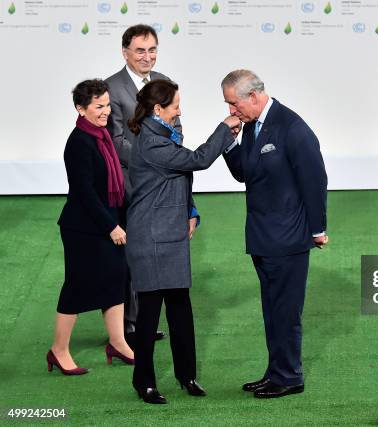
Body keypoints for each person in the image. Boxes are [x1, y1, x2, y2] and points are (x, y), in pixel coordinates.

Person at [126, 79, 241, 404]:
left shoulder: (162, 134)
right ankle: (144, 381)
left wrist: (190, 209)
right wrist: (223, 128)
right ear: (158, 109)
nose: (180, 110)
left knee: (179, 307)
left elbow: (175, 179)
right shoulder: (152, 143)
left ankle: (186, 375)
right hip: (151, 236)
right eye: (176, 105)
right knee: (149, 314)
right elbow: (197, 161)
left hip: (169, 233)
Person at [221, 70, 328, 399]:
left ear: (253, 96)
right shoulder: (252, 125)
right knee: (272, 309)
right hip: (262, 237)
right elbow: (244, 172)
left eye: (233, 104)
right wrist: (228, 141)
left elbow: (315, 180)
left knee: (285, 311)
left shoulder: (292, 128)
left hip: (288, 239)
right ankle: (276, 371)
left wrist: (318, 228)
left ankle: (289, 376)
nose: (231, 111)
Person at [49, 79, 134, 376]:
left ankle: (118, 342)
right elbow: (84, 192)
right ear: (80, 108)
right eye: (99, 106)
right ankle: (58, 351)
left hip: (105, 221)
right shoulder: (79, 142)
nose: (106, 111)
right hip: (82, 228)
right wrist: (111, 225)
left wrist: (116, 220)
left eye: (108, 105)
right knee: (76, 286)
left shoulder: (103, 135)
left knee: (116, 277)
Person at [106, 24, 173, 344]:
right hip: (129, 184)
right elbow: (116, 140)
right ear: (125, 53)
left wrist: (170, 155)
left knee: (153, 252)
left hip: (162, 182)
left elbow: (177, 126)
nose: (147, 56)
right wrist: (152, 159)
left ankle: (143, 320)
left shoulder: (164, 83)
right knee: (132, 255)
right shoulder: (111, 88)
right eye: (140, 50)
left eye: (152, 49)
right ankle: (128, 325)